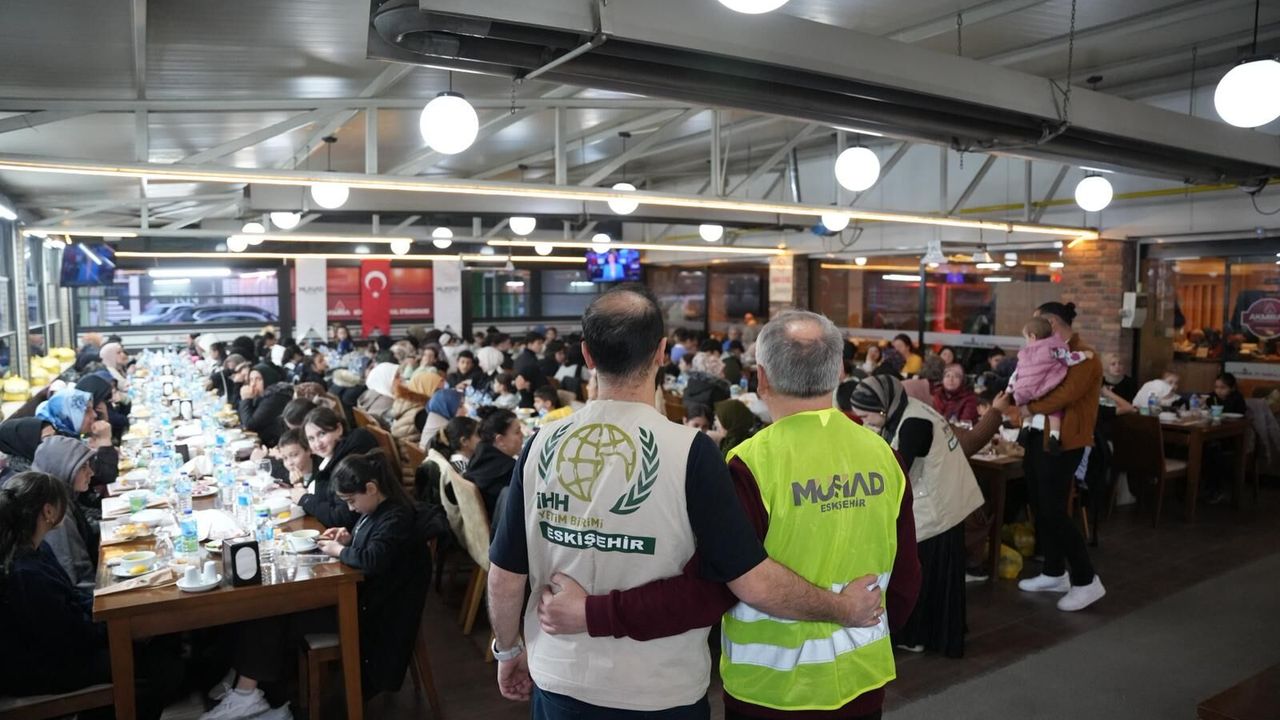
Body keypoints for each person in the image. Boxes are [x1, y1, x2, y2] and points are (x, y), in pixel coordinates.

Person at [488, 289, 891, 719]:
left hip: (559, 675)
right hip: (659, 687)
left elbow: (505, 575)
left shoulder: (540, 444)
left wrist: (508, 649)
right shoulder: (692, 451)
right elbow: (741, 581)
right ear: (662, 352)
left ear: (587, 355)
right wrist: (845, 608)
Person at [201, 450, 430, 719]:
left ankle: (248, 695)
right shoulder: (380, 509)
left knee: (269, 612)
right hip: (360, 598)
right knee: (266, 609)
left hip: (370, 613)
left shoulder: (396, 517)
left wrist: (339, 550)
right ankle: (251, 689)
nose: (350, 508)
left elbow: (373, 559)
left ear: (371, 488)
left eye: (352, 501)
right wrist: (349, 539)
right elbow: (375, 545)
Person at [0, 471, 182, 719]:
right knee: (160, 665)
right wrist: (120, 628)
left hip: (57, 646)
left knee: (158, 643)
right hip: (41, 667)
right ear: (48, 511)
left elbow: (71, 600)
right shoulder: (25, 573)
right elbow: (67, 635)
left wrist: (107, 610)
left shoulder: (36, 550)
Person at [849, 374, 982, 658]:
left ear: (883, 408)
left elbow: (897, 473)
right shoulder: (908, 409)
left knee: (922, 576)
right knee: (935, 577)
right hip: (944, 499)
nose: (864, 422)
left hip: (937, 507)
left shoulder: (913, 425)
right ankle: (931, 633)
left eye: (866, 416)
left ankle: (918, 635)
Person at [1015, 301, 1105, 612]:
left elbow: (1066, 394)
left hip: (1065, 441)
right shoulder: (1042, 351)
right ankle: (1054, 572)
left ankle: (1086, 579)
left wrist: (1028, 407)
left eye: (1036, 323)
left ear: (1051, 323)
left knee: (1055, 509)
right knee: (1040, 506)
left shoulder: (1084, 355)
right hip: (1036, 436)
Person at [1007, 317, 1095, 454]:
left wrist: (1010, 388)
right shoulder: (1053, 349)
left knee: (1028, 404)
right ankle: (1054, 436)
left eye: (1026, 338)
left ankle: (1025, 428)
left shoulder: (1025, 354)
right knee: (1054, 411)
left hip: (1027, 389)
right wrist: (1084, 355)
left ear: (1032, 336)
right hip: (1046, 388)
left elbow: (1017, 373)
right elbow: (1069, 359)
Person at [31, 436, 99, 595]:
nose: (91, 472)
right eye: (83, 467)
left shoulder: (63, 497)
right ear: (63, 468)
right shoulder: (55, 511)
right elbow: (74, 572)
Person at [294, 407, 378, 528]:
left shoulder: (349, 460)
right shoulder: (330, 455)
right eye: (311, 439)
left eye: (322, 434)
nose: (317, 444)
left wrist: (305, 499)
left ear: (339, 429)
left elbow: (340, 518)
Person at [463, 407, 522, 519]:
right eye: (517, 432)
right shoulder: (508, 470)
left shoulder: (479, 453)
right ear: (500, 440)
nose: (522, 435)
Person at [238, 364, 292, 448]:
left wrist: (246, 399)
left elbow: (250, 424)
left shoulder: (276, 396)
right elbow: (243, 418)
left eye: (258, 379)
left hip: (274, 445)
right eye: (251, 380)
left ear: (268, 379)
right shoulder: (261, 396)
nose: (253, 384)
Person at [389, 371, 442, 447]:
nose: (442, 395)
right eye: (438, 391)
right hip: (413, 452)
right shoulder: (422, 413)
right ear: (425, 389)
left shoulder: (405, 403)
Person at [0, 417, 57, 485]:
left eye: (56, 434)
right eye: (48, 439)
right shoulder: (25, 484)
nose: (60, 439)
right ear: (25, 445)